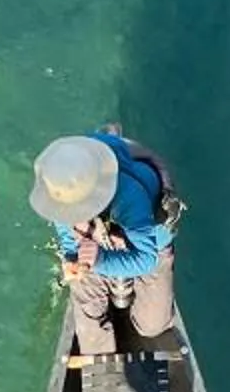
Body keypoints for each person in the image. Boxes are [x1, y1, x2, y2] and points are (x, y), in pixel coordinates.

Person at [29, 130, 180, 357]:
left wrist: (100, 260)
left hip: (148, 247)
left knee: (152, 327)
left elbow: (147, 259)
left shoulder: (128, 198)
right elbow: (64, 227)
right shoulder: (62, 189)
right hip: (100, 241)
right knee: (92, 340)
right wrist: (72, 258)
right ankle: (99, 353)